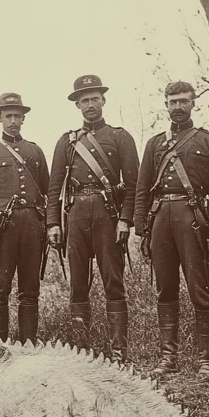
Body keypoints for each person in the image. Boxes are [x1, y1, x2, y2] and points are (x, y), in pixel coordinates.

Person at [134, 80, 209, 379]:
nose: (178, 107)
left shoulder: (208, 141)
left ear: (193, 103)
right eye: (173, 101)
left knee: (199, 290)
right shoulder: (154, 144)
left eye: (183, 101)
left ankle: (206, 361)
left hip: (193, 221)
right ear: (165, 104)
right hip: (160, 219)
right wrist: (143, 230)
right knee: (165, 290)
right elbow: (142, 189)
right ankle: (168, 359)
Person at [47, 74, 139, 362]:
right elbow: (54, 186)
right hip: (75, 215)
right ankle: (81, 353)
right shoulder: (66, 142)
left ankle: (118, 352)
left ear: (103, 101)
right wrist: (53, 223)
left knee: (113, 281)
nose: (90, 104)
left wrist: (125, 220)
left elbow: (134, 184)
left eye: (94, 98)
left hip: (107, 214)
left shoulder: (120, 137)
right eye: (84, 100)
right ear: (77, 104)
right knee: (77, 283)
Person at [0, 93, 49, 343]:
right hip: (3, 231)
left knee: (30, 290)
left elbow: (47, 192)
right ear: (0, 118)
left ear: (24, 118)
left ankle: (28, 346)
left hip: (31, 227)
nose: (13, 121)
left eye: (18, 116)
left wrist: (46, 227)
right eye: (8, 116)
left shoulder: (35, 151)